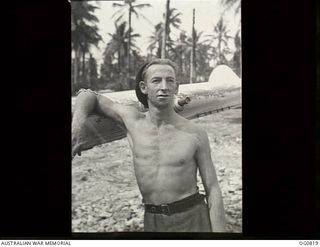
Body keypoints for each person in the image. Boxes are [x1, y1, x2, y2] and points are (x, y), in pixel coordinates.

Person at [72, 58, 226, 232]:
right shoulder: (133, 121)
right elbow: (87, 94)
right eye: (156, 80)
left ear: (176, 87)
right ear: (144, 87)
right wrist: (77, 125)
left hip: (192, 218)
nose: (164, 87)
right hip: (153, 221)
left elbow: (212, 189)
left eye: (170, 80)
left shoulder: (195, 132)